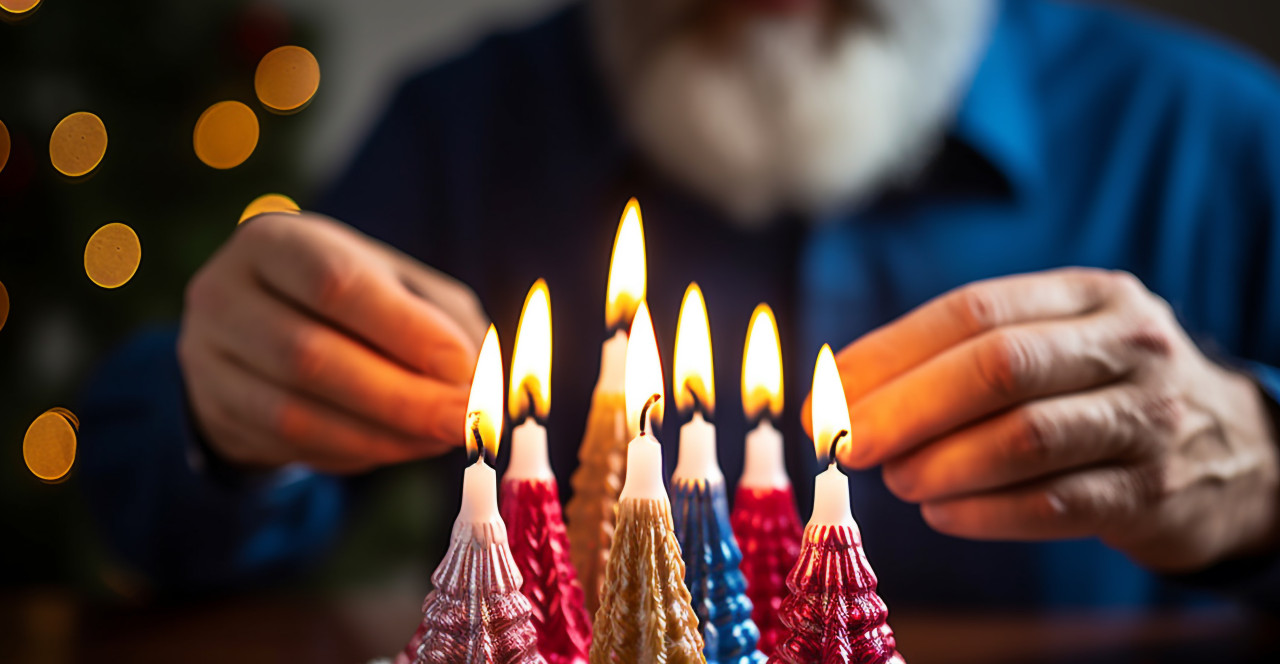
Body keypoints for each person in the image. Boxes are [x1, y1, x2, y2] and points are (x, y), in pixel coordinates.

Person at [80, 0, 1280, 607]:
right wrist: (218, 411)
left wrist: (1262, 466)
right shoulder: (463, 128)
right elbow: (149, 515)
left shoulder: (1214, 137)